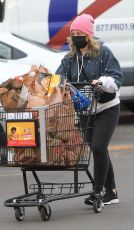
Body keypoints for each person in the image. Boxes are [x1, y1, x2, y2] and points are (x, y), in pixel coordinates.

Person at [55, 13, 124, 205]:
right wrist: (54, 84)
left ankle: (98, 192)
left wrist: (101, 82)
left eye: (80, 33)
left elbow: (117, 78)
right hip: (85, 109)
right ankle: (111, 192)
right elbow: (58, 78)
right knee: (99, 150)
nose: (76, 36)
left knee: (98, 147)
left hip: (106, 107)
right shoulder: (69, 58)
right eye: (73, 33)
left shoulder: (103, 52)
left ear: (88, 35)